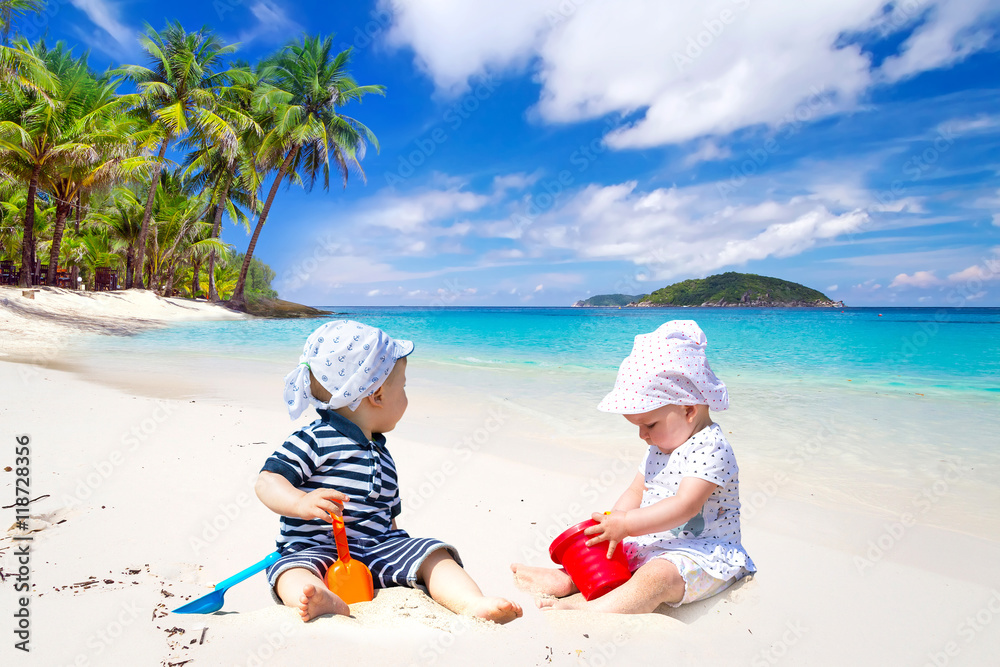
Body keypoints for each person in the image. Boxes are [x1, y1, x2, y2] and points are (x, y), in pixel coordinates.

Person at [256, 320, 522, 623]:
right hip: (316, 546)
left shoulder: (380, 453)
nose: (406, 393)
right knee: (291, 572)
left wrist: (400, 545)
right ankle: (320, 597)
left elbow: (388, 515)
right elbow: (268, 480)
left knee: (433, 553)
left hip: (378, 548)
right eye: (404, 386)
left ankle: (472, 603)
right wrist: (299, 503)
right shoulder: (314, 439)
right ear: (378, 395)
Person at [511, 320, 756, 612]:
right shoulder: (660, 446)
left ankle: (593, 608)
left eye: (649, 424)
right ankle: (568, 579)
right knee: (608, 553)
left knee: (657, 577)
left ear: (689, 409)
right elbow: (636, 490)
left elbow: (686, 505)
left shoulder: (711, 447)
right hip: (653, 544)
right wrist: (613, 522)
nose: (643, 435)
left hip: (702, 556)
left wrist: (627, 525)